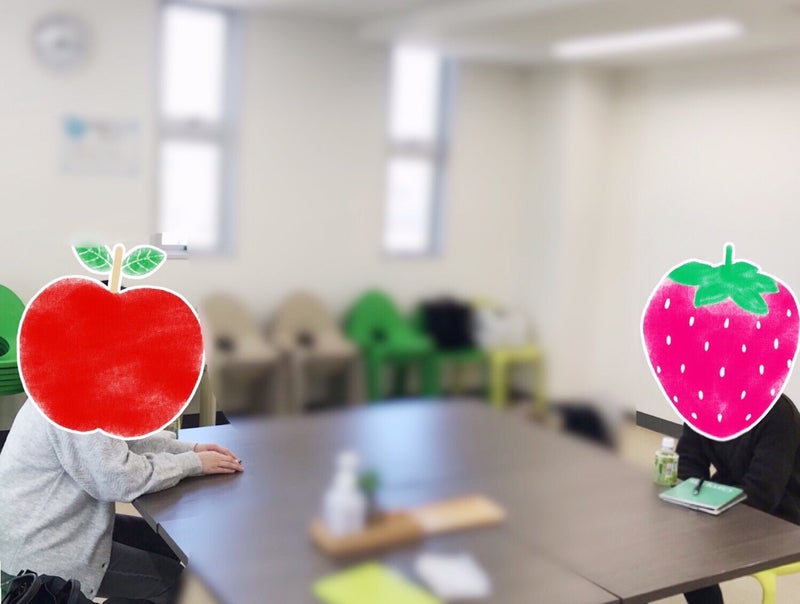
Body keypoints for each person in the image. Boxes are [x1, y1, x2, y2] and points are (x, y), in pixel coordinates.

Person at [0, 399, 244, 603]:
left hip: (56, 526)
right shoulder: (74, 406)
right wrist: (192, 463)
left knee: (160, 542)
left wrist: (191, 450)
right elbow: (119, 479)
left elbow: (124, 441)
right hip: (43, 551)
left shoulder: (71, 391)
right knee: (177, 584)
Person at [677, 393, 800, 604]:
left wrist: (707, 508)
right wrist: (696, 499)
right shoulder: (704, 401)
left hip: (780, 518)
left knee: (687, 545)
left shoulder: (779, 414)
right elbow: (687, 463)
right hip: (729, 499)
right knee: (666, 535)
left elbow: (762, 494)